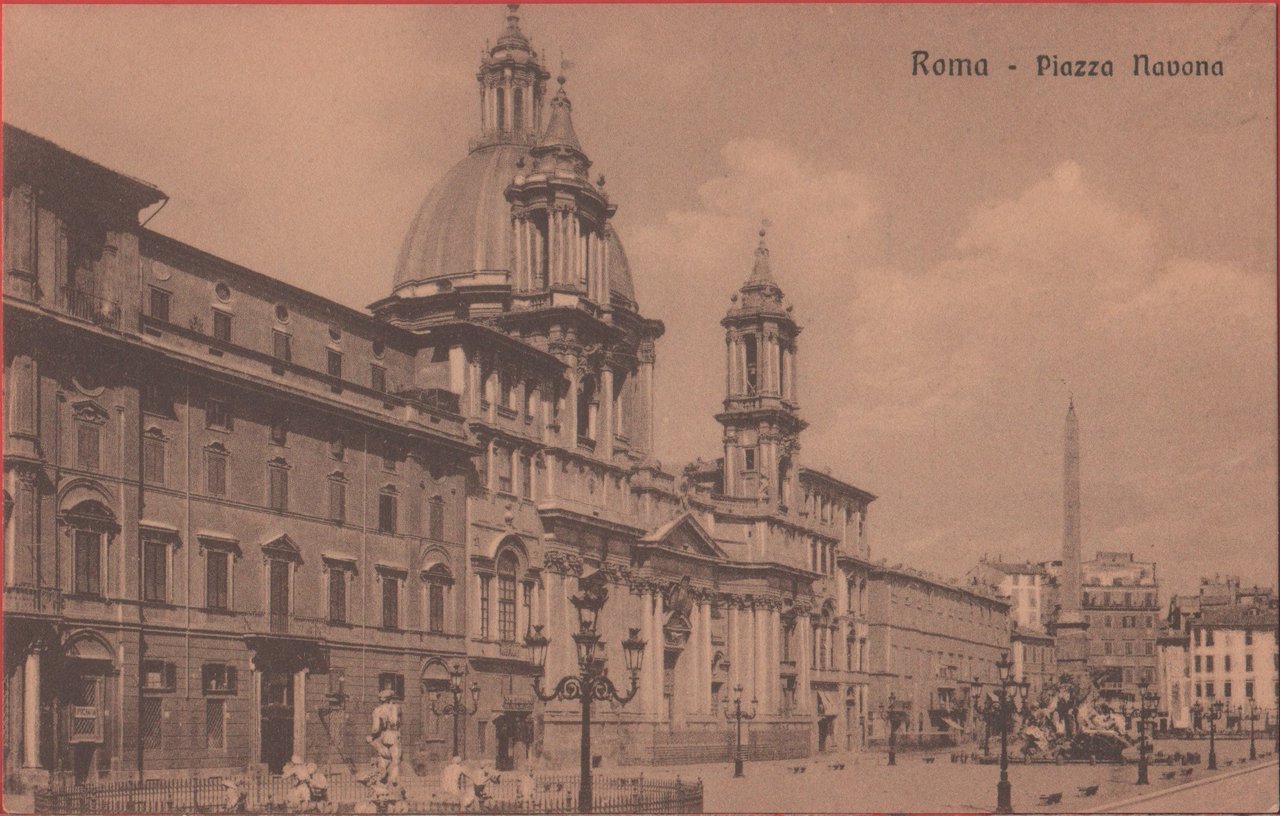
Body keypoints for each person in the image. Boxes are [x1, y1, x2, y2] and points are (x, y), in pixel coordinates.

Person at [367, 688, 403, 786]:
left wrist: (371, 736)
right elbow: (400, 723)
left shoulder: (378, 710)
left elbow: (375, 728)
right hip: (395, 735)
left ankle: (382, 780)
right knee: (395, 760)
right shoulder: (398, 708)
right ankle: (394, 781)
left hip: (384, 735)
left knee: (383, 758)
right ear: (391, 699)